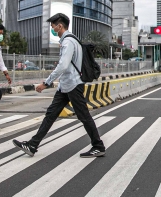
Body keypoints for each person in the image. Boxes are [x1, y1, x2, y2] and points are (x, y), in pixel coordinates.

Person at [12, 13, 105, 158]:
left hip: (73, 84)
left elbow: (63, 65)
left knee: (84, 116)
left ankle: (98, 146)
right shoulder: (71, 39)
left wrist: (46, 82)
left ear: (60, 26)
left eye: (53, 26)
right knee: (51, 114)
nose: (52, 29)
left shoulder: (68, 42)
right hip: (66, 85)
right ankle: (32, 145)